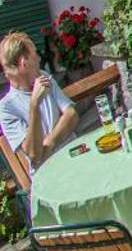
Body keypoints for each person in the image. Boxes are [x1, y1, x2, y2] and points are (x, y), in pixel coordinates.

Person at [1, 32, 78, 171]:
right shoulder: (6, 108)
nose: (39, 58)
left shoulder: (43, 76)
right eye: (35, 54)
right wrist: (34, 105)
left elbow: (71, 114)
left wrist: (49, 143)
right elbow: (34, 154)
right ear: (24, 63)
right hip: (49, 174)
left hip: (74, 154)